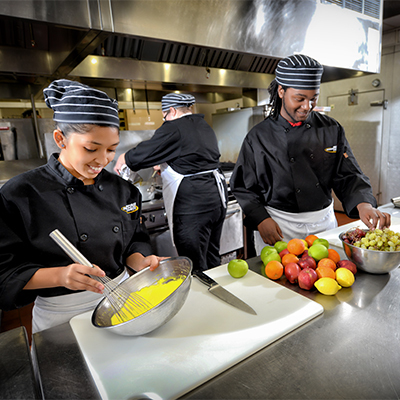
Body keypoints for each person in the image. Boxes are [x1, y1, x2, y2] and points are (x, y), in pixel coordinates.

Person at [0, 79, 162, 333]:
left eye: (111, 149)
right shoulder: (20, 194)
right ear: (60, 139)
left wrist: (139, 260)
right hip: (62, 315)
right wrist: (60, 276)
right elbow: (4, 270)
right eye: (91, 148)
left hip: (123, 301)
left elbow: (133, 240)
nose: (102, 160)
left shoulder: (123, 190)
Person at [230, 54, 391, 255]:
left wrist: (363, 204)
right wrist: (261, 218)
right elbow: (244, 187)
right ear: (281, 91)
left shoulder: (331, 128)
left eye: (313, 98)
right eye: (300, 99)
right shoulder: (258, 136)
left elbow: (348, 174)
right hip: (279, 226)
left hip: (323, 224)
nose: (307, 106)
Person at [114, 93, 227, 272]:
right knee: (212, 259)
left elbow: (145, 153)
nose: (165, 120)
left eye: (164, 116)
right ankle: (217, 294)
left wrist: (124, 158)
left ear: (172, 111)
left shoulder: (174, 127)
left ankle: (201, 298)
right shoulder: (203, 125)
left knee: (193, 264)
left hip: (194, 205)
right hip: (216, 200)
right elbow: (189, 156)